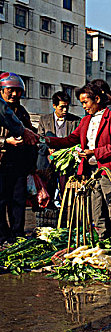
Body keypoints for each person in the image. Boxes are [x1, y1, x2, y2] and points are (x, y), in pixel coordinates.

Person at [45, 83, 111, 240]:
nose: (84, 106)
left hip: (109, 171)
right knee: (96, 208)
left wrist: (94, 152)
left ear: (96, 99)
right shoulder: (85, 121)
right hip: (92, 172)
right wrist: (47, 140)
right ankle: (103, 240)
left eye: (85, 102)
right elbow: (71, 139)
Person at [0, 72, 38, 245]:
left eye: (18, 90)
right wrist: (4, 141)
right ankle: (2, 236)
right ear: (1, 90)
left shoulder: (22, 112)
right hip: (1, 162)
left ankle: (17, 234)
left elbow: (30, 135)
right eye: (10, 90)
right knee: (1, 200)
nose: (14, 94)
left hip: (18, 164)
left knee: (18, 201)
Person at [37, 91, 80, 199]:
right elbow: (40, 139)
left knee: (66, 190)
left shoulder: (75, 121)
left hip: (67, 162)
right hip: (49, 159)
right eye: (62, 107)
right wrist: (48, 148)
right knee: (49, 186)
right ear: (54, 106)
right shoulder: (44, 120)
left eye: (67, 107)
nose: (65, 110)